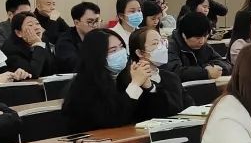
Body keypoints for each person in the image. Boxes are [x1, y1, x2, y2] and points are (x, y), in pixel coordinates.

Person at [61, 28, 190, 132]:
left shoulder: (123, 77)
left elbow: (158, 113)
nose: (120, 52)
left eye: (121, 47)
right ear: (97, 56)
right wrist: (135, 85)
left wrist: (149, 87)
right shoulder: (84, 86)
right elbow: (114, 118)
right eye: (113, 50)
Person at [164, 12, 232, 82]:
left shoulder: (204, 46)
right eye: (197, 38)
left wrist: (209, 68)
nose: (202, 41)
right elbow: (175, 72)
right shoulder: (170, 46)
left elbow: (226, 65)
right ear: (184, 35)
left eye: (205, 36)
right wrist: (205, 72)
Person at [2, 12, 57, 78]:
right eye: (30, 25)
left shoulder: (43, 39)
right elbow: (32, 74)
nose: (37, 27)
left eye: (37, 23)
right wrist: (38, 44)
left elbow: (52, 69)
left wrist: (39, 43)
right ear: (19, 33)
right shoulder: (11, 49)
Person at [54, 1, 102, 73]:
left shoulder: (101, 36)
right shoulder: (65, 41)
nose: (95, 25)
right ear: (77, 23)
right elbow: (75, 65)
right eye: (90, 21)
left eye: (97, 20)